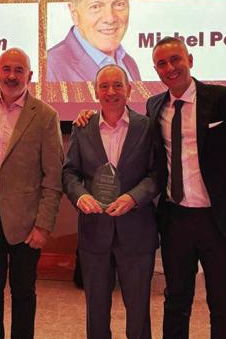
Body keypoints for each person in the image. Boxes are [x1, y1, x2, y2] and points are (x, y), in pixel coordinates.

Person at [147, 36, 226, 339]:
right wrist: (90, 116)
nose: (170, 68)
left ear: (190, 60)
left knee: (222, 303)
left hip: (218, 221)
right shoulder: (154, 106)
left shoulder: (223, 99)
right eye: (162, 64)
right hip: (175, 220)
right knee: (175, 301)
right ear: (156, 70)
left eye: (175, 59)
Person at [0, 47, 63, 339]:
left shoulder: (45, 116)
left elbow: (53, 176)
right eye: (6, 69)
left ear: (29, 76)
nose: (11, 76)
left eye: (18, 70)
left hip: (27, 218)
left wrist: (43, 225)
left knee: (23, 291)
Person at [63, 64, 158, 339]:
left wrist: (133, 197)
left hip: (137, 231)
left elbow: (157, 174)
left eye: (117, 85)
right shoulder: (83, 128)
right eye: (104, 86)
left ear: (129, 89)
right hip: (95, 231)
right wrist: (80, 195)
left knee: (138, 311)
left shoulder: (147, 127)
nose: (111, 92)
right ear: (96, 91)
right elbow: (69, 173)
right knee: (96, 310)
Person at [46, 0, 140, 82]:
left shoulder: (128, 63)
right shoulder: (51, 67)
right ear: (74, 12)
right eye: (96, 7)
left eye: (119, 4)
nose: (110, 18)